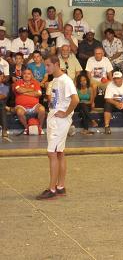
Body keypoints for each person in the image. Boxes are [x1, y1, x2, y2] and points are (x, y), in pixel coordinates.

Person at [36, 55, 79, 200]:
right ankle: (60, 186)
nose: (45, 68)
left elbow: (75, 99)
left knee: (52, 153)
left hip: (60, 122)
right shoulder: (54, 81)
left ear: (56, 64)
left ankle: (52, 189)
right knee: (59, 152)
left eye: (48, 65)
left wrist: (66, 113)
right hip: (54, 119)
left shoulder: (66, 80)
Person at [14, 69, 46, 135]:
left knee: (42, 109)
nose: (26, 75)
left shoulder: (36, 83)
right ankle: (26, 128)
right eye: (25, 73)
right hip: (21, 106)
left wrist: (24, 92)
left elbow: (39, 93)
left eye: (28, 74)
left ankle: (40, 128)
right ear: (22, 75)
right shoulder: (18, 82)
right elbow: (19, 90)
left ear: (31, 75)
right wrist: (32, 91)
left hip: (35, 105)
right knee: (19, 112)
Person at [0, 71, 9, 138]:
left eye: (1, 76)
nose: (1, 78)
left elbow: (2, 96)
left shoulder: (5, 86)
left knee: (2, 107)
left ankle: (4, 130)